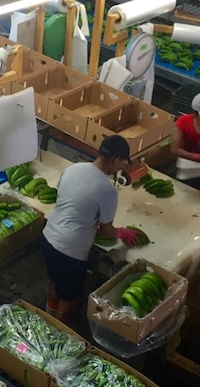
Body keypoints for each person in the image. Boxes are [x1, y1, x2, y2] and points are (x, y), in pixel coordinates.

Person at [41, 135, 140, 324]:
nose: (122, 167)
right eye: (123, 162)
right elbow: (107, 230)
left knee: (54, 284)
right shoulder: (107, 189)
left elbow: (68, 200)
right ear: (116, 159)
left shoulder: (73, 169)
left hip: (48, 238)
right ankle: (52, 339)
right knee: (68, 302)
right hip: (70, 252)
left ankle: (47, 317)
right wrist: (122, 232)